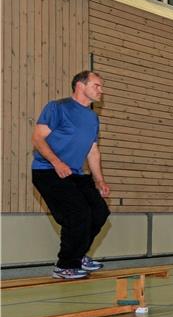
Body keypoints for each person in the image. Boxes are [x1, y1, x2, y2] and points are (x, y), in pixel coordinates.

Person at [31, 71, 112, 280]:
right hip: (48, 171)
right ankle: (65, 265)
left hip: (75, 174)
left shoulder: (93, 118)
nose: (101, 90)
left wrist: (100, 180)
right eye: (97, 85)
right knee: (78, 214)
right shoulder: (57, 107)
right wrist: (56, 162)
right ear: (80, 86)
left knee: (100, 211)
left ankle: (78, 255)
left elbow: (92, 151)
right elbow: (38, 138)